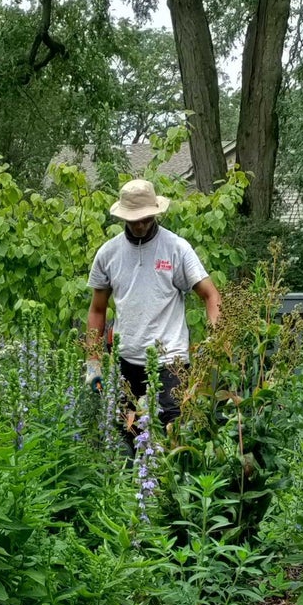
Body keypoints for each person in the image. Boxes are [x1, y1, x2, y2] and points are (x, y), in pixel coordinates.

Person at [86, 178, 222, 429]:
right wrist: (93, 360)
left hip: (171, 363)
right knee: (127, 435)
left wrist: (215, 341)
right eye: (134, 219)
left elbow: (211, 296)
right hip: (126, 362)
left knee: (173, 434)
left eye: (146, 219)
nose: (140, 225)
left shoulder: (176, 249)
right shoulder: (108, 254)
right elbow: (97, 310)